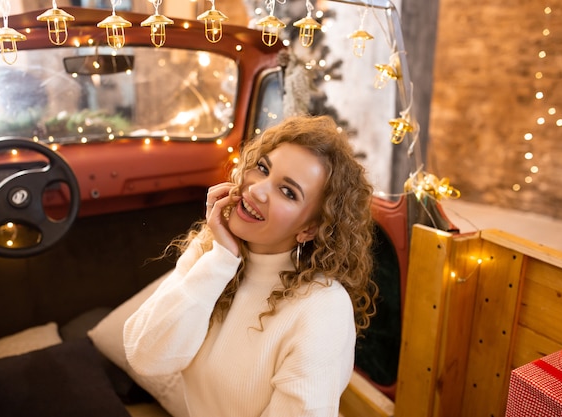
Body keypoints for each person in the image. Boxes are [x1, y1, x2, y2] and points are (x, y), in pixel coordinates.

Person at [123, 114, 378, 417]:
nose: (256, 190)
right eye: (262, 168)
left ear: (309, 229)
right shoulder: (211, 251)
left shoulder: (323, 308)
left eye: (288, 192)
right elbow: (145, 356)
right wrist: (220, 260)